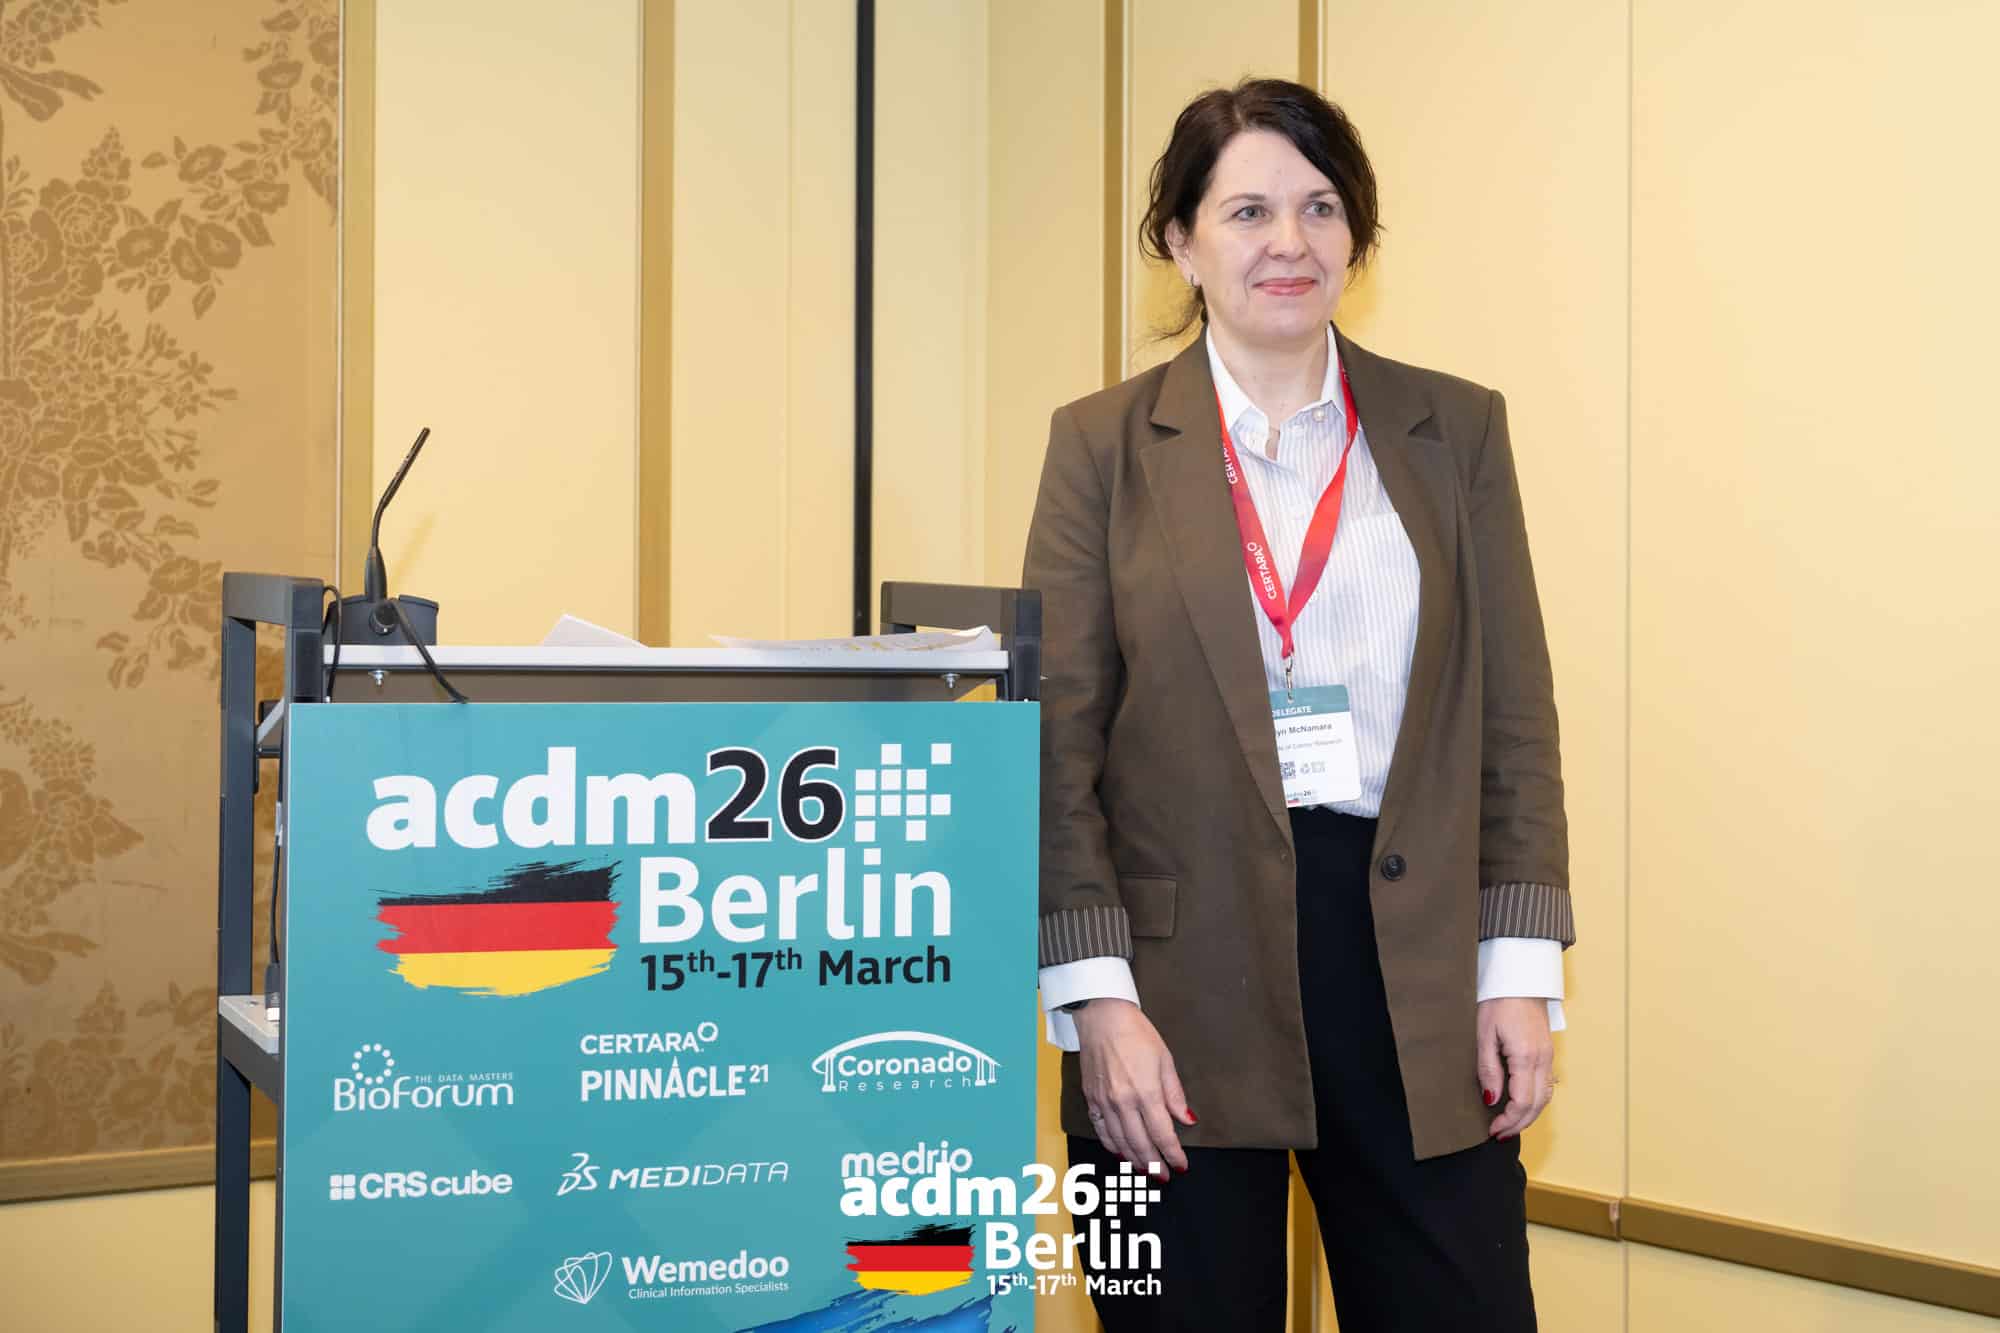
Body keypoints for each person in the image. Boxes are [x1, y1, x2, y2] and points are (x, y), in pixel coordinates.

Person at [1023, 78, 1571, 1333]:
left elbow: (1512, 719)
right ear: (1180, 242)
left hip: (1417, 976)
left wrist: (1516, 972)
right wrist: (1095, 1001)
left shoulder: (1455, 429)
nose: (1289, 241)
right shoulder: (1098, 446)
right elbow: (1054, 747)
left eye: (1321, 207)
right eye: (1248, 211)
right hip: (1167, 989)